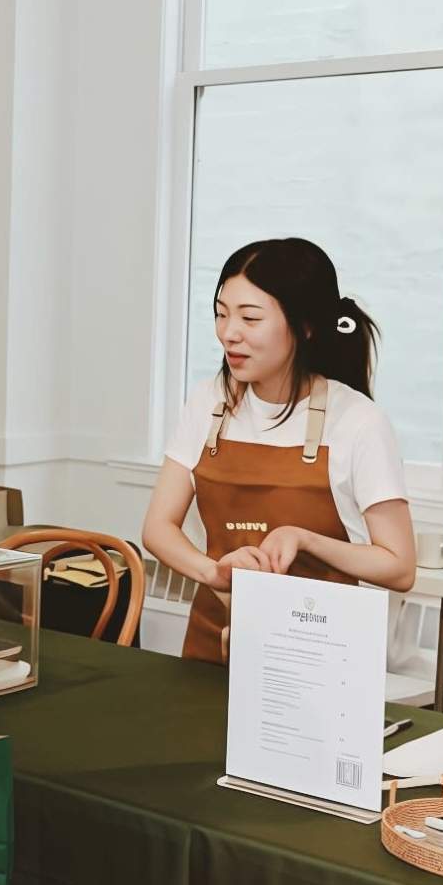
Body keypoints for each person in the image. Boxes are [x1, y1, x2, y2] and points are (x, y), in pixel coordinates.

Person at [139, 237, 418, 662]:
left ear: (304, 326)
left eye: (250, 318)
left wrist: (305, 540)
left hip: (319, 655)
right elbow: (158, 528)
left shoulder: (358, 422)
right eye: (221, 314)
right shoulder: (208, 401)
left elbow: (399, 567)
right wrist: (215, 573)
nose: (229, 333)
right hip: (215, 642)